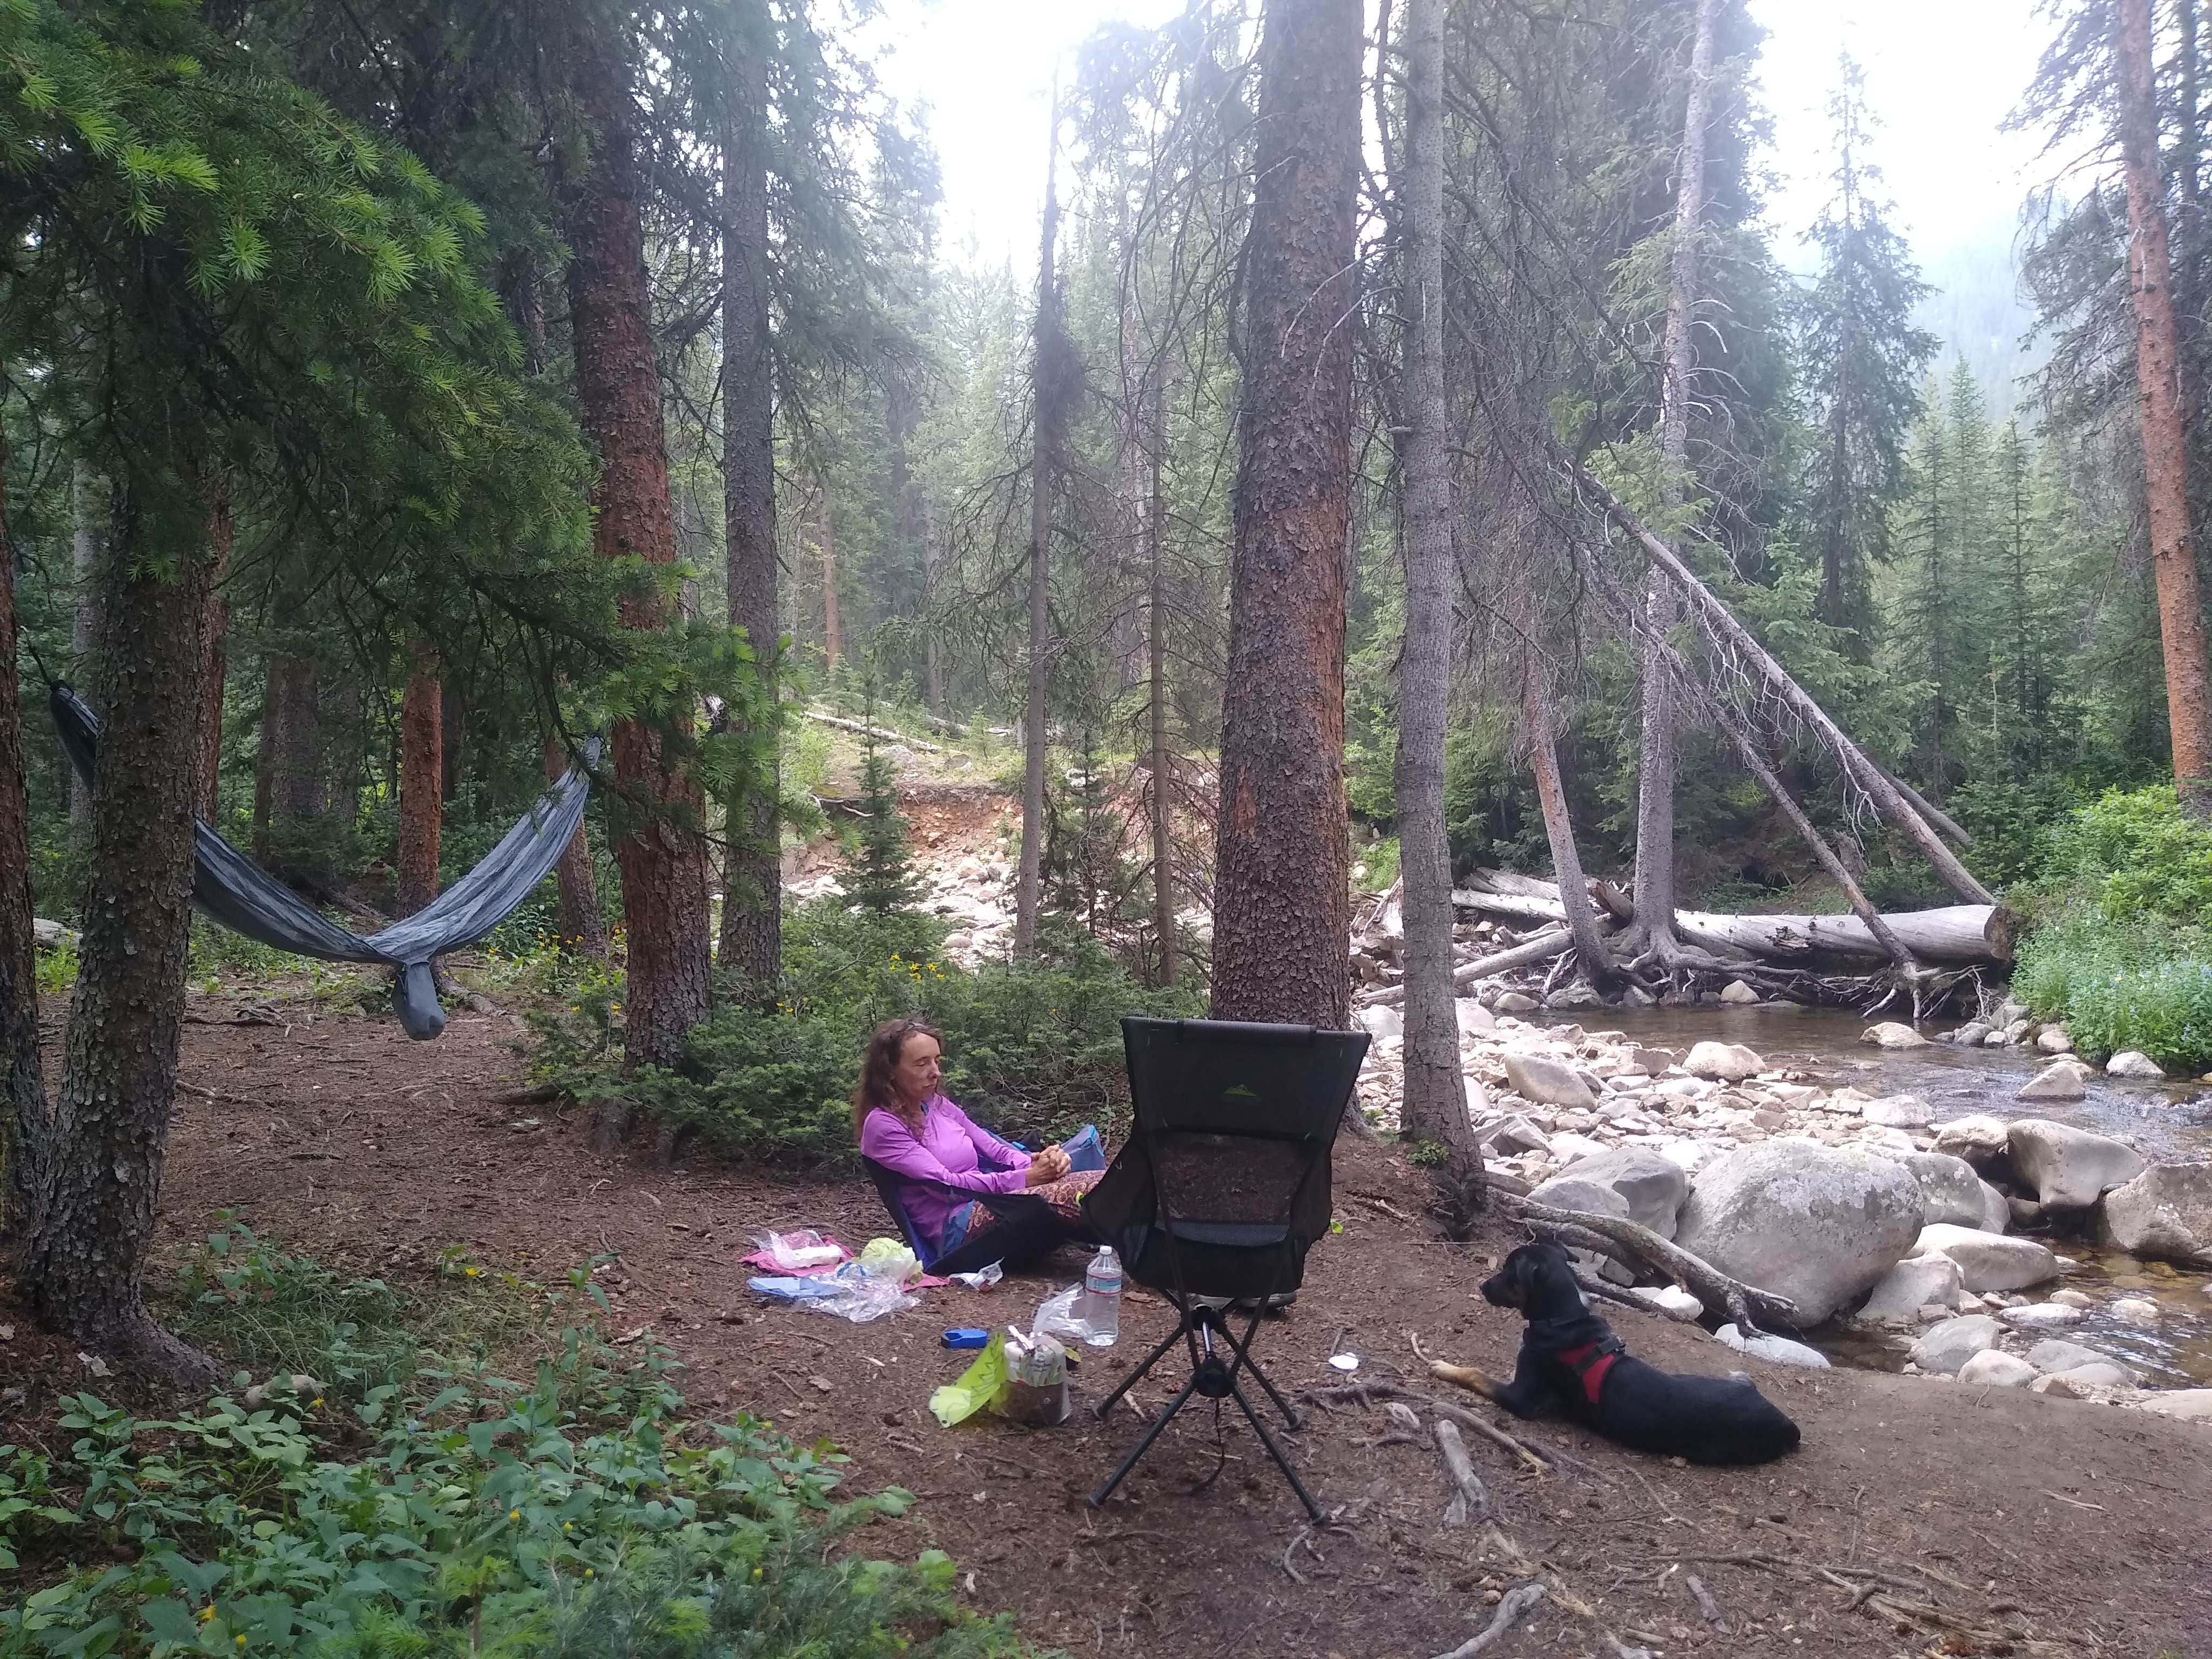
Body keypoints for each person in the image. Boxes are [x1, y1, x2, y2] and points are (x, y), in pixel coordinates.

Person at [854, 1016, 1105, 1266]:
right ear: (890, 1071)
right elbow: (947, 1186)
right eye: (922, 1063)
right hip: (956, 1226)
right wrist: (1026, 1178)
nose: (936, 1072)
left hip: (990, 1198)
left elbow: (992, 1147)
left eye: (937, 1061)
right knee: (1091, 1190)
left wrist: (1037, 1163)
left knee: (1102, 1181)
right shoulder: (884, 1126)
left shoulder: (935, 1103)